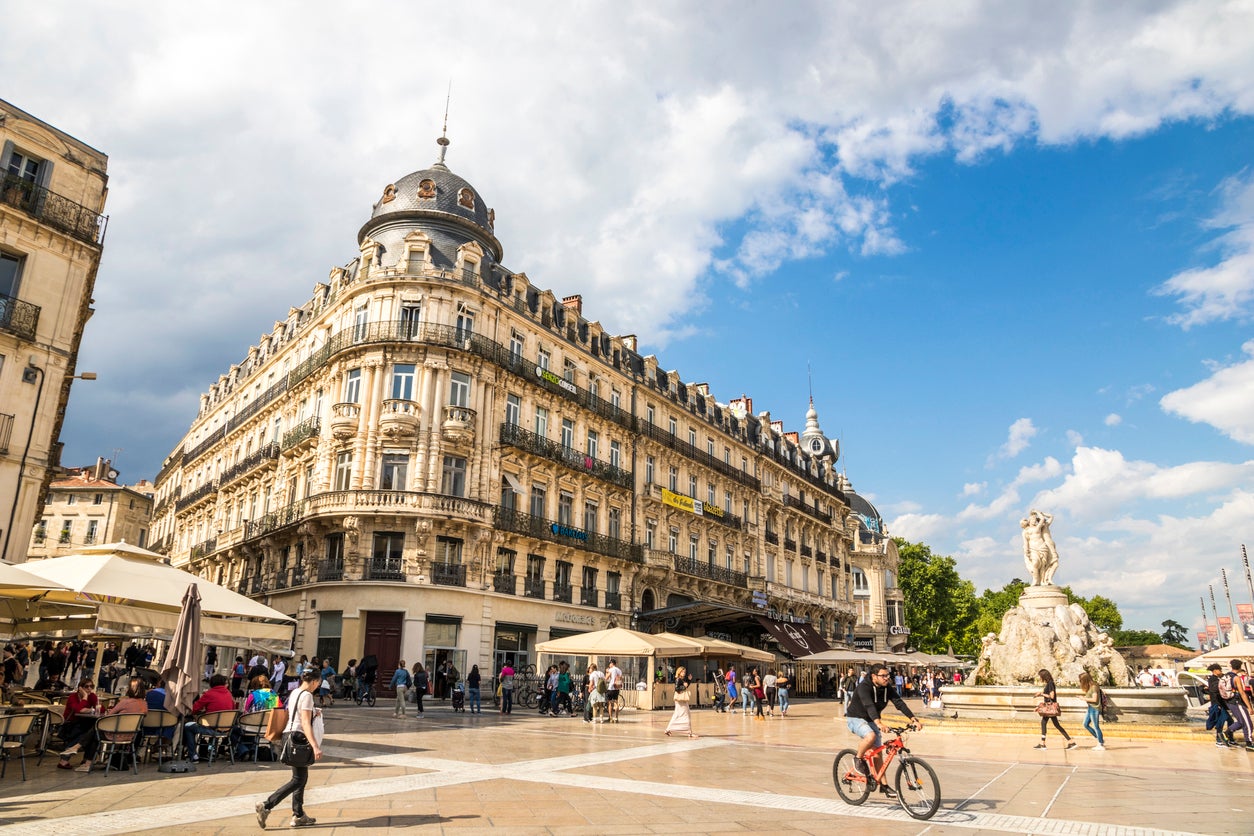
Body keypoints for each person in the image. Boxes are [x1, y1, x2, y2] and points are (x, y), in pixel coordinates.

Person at [256, 669, 322, 829]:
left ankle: (298, 814)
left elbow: (296, 715)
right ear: (314, 681)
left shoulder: (295, 692)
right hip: (298, 739)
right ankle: (267, 805)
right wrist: (314, 745)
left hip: (289, 735)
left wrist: (314, 713)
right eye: (318, 683)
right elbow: (305, 723)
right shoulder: (307, 696)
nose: (317, 687)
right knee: (298, 779)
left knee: (301, 777)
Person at [845, 663, 923, 798]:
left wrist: (913, 719)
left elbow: (899, 702)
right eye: (883, 676)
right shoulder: (864, 687)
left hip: (871, 719)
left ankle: (884, 786)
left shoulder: (887, 687)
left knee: (878, 754)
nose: (887, 678)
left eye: (887, 675)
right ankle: (858, 759)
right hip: (855, 718)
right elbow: (869, 705)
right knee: (870, 736)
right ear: (874, 676)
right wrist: (879, 723)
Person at [72, 677, 148, 773]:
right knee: (96, 731)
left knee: (96, 731)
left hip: (116, 734)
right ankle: (83, 755)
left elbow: (109, 715)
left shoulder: (125, 702)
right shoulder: (144, 704)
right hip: (130, 736)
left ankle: (85, 758)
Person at [183, 674, 236, 762]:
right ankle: (212, 750)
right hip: (226, 728)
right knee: (213, 723)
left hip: (212, 728)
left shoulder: (209, 693)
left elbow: (195, 708)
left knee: (188, 726)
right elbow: (233, 709)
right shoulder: (229, 694)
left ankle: (193, 755)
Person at [57, 676, 101, 768]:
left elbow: (100, 708)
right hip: (70, 725)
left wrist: (89, 708)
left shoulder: (92, 696)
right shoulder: (73, 697)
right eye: (86, 686)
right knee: (86, 734)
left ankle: (86, 759)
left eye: (91, 686)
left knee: (92, 733)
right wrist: (85, 697)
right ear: (80, 688)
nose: (89, 689)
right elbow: (78, 710)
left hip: (84, 723)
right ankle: (64, 760)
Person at [1033, 669, 1076, 750]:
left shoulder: (1050, 684)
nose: (1040, 678)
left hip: (1050, 708)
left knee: (1044, 723)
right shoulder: (1049, 684)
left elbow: (1052, 696)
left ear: (1043, 676)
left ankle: (1043, 744)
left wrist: (1041, 694)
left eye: (1040, 676)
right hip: (1050, 708)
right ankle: (1071, 742)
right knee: (1055, 725)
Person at [1223, 660, 1254, 749]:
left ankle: (1226, 733)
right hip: (1237, 702)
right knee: (1248, 723)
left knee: (1241, 722)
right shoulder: (1236, 678)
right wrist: (1249, 707)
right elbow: (1242, 693)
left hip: (1229, 702)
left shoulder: (1226, 676)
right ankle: (1249, 743)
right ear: (1240, 667)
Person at [664, 666, 698, 739]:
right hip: (680, 700)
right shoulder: (678, 679)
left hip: (681, 700)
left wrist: (689, 680)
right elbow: (677, 689)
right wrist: (684, 686)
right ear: (679, 672)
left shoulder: (682, 679)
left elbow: (685, 686)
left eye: (685, 672)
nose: (684, 673)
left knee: (677, 714)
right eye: (683, 672)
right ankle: (689, 733)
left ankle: (668, 729)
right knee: (686, 714)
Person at [1078, 671, 1105, 751]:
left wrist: (1083, 698)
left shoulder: (1093, 687)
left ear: (1085, 680)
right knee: (1085, 724)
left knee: (1096, 727)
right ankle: (1099, 739)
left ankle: (1100, 743)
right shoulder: (1090, 686)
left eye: (1081, 680)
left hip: (1094, 708)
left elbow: (1094, 699)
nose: (1080, 682)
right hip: (1090, 707)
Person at [604, 658, 623, 723]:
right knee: (616, 703)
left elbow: (606, 678)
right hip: (616, 688)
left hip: (611, 688)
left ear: (612, 663)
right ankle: (616, 718)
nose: (609, 665)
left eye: (609, 663)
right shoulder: (619, 670)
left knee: (609, 703)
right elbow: (621, 679)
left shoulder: (611, 669)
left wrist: (606, 672)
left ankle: (610, 718)